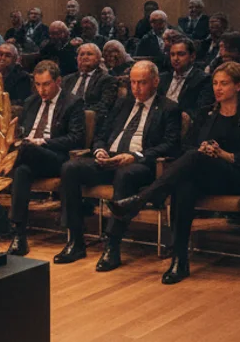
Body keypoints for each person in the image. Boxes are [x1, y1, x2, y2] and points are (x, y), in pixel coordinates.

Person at [111, 61, 240, 284]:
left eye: (224, 84)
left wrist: (227, 155)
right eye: (215, 83)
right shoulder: (207, 112)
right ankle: (179, 260)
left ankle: (144, 198)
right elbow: (187, 147)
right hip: (206, 174)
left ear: (239, 86)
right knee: (184, 184)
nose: (217, 88)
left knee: (193, 161)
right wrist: (202, 150)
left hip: (237, 177)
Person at [55, 60, 180, 269]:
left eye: (142, 83)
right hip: (110, 158)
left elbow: (171, 145)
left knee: (126, 175)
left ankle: (112, 244)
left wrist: (136, 155)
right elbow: (101, 134)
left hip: (140, 163)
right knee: (70, 168)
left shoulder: (169, 108)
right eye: (132, 83)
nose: (136, 88)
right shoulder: (122, 103)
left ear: (156, 82)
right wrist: (99, 150)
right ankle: (76, 239)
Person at [7, 60, 87, 256]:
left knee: (23, 152)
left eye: (46, 84)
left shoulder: (73, 102)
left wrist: (43, 142)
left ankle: (1, 169)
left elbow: (76, 138)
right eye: (38, 84)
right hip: (30, 158)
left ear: (58, 81)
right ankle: (19, 235)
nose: (41, 90)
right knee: (21, 172)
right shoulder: (30, 102)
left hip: (56, 157)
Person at [62, 43, 119, 115]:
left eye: (89, 54)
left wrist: (79, 114)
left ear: (98, 58)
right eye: (81, 54)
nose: (85, 57)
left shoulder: (107, 80)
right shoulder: (67, 80)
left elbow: (104, 106)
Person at [159, 38, 211, 111]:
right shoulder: (162, 78)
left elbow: (201, 110)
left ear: (192, 57)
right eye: (172, 55)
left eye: (180, 54)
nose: (175, 58)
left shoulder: (203, 79)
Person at [0, 43, 32, 107]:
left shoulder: (23, 77)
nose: (3, 58)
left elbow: (21, 102)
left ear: (15, 59)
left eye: (7, 56)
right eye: (0, 54)